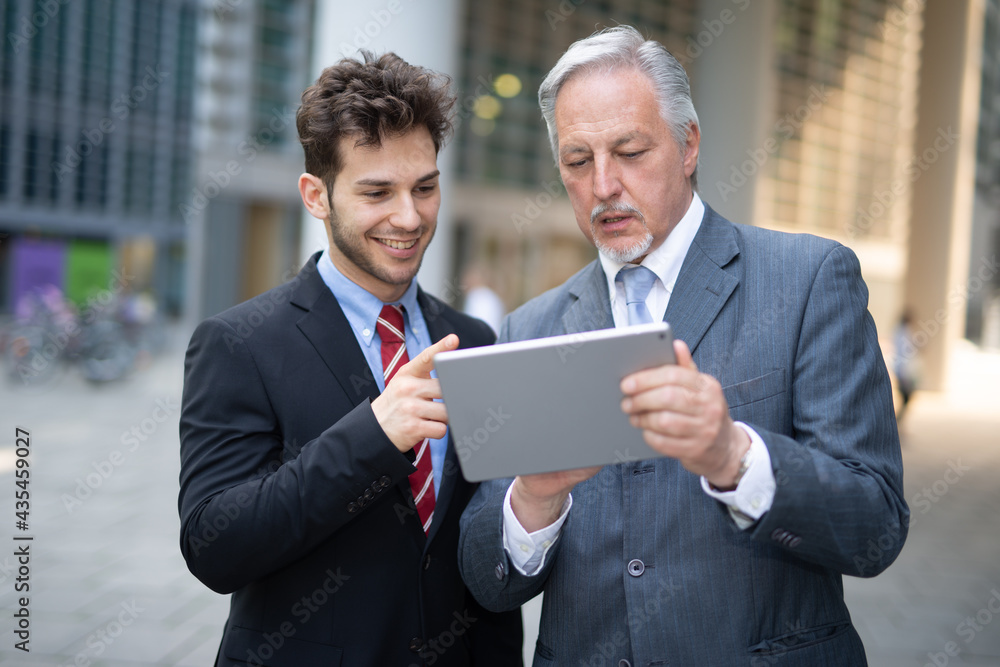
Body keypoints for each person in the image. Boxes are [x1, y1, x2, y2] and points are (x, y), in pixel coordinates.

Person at [458, 26, 908, 666]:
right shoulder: (529, 329)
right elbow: (488, 582)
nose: (604, 185)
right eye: (578, 161)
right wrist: (533, 499)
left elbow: (875, 529)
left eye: (631, 151)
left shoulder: (809, 281)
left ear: (689, 144)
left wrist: (733, 455)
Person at [178, 52, 522, 667]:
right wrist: (373, 434)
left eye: (425, 187)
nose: (409, 217)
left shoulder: (474, 338)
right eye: (376, 192)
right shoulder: (239, 343)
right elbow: (214, 545)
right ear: (317, 196)